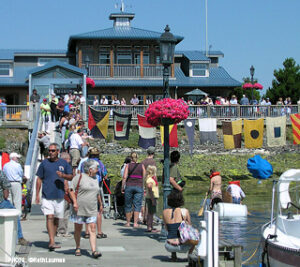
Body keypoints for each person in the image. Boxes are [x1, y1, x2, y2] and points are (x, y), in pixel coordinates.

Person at [35, 143, 73, 251]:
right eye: (49, 150)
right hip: (47, 195)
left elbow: (70, 177)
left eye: (53, 151)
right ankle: (51, 241)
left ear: (58, 152)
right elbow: (39, 179)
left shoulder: (63, 163)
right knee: (49, 217)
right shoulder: (44, 163)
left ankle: (53, 238)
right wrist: (37, 195)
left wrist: (63, 176)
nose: (50, 152)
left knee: (56, 219)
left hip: (59, 196)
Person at [69, 159, 102, 258]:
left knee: (92, 228)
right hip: (79, 208)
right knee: (78, 228)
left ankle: (94, 250)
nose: (98, 170)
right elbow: (71, 190)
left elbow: (97, 192)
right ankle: (78, 247)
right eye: (96, 168)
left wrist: (100, 204)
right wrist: (74, 202)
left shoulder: (96, 178)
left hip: (92, 208)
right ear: (90, 169)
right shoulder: (79, 177)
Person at [78, 147, 108, 239]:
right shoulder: (99, 164)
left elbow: (80, 173)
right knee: (98, 210)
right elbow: (105, 175)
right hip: (96, 186)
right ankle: (99, 232)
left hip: (85, 187)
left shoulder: (84, 163)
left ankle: (87, 232)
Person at [163, 190, 197, 262]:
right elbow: (189, 228)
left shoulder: (165, 212)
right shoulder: (184, 211)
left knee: (171, 231)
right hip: (182, 247)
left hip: (168, 245)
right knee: (195, 235)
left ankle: (173, 256)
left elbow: (166, 228)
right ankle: (189, 256)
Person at [0, 170, 29, 245]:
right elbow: (6, 186)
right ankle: (19, 237)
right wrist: (5, 198)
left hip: (2, 201)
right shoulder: (0, 173)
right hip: (1, 201)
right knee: (15, 215)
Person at [122, 152, 146, 228]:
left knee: (128, 204)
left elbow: (124, 177)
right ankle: (135, 223)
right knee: (137, 205)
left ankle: (128, 222)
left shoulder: (128, 166)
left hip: (129, 186)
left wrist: (122, 187)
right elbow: (144, 176)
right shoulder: (141, 166)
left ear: (130, 158)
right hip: (139, 186)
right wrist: (144, 186)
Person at [57, 152, 73, 237]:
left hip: (60, 192)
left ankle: (61, 229)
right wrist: (67, 189)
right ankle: (62, 231)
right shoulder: (64, 167)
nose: (70, 161)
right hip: (64, 192)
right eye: (69, 159)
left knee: (63, 212)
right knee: (64, 212)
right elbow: (65, 180)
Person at [145, 165, 159, 233]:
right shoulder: (150, 179)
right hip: (151, 197)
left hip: (152, 197)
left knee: (151, 213)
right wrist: (153, 199)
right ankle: (149, 227)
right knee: (150, 213)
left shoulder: (151, 178)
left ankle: (150, 226)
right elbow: (150, 188)